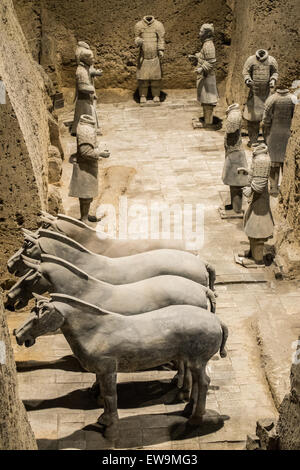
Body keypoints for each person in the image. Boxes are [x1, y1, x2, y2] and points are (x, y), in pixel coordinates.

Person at [237, 143, 274, 266]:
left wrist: (251, 190)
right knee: (251, 225)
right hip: (257, 199)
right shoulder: (258, 157)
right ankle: (252, 253)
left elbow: (260, 183)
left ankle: (257, 259)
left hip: (260, 201)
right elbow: (256, 174)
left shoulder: (262, 160)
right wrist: (247, 171)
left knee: (257, 227)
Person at [69, 114, 110, 223]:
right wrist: (101, 153)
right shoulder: (85, 130)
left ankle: (85, 216)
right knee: (85, 194)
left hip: (88, 166)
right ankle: (84, 219)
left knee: (88, 194)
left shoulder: (86, 127)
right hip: (84, 167)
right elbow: (85, 152)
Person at [262, 79, 295, 195]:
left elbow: (265, 120)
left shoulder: (271, 99)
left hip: (274, 134)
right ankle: (286, 187)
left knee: (273, 162)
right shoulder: (293, 99)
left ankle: (274, 188)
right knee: (286, 163)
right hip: (288, 135)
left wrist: (266, 134)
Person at [243, 49, 278, 146]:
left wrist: (273, 80)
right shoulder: (251, 60)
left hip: (267, 95)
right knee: (253, 120)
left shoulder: (271, 60)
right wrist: (247, 80)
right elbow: (246, 72)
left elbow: (275, 72)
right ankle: (253, 141)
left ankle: (268, 141)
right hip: (254, 95)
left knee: (268, 120)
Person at [221, 104, 248, 216]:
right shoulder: (233, 114)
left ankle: (236, 209)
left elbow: (231, 129)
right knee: (232, 181)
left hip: (235, 154)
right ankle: (234, 205)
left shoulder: (234, 115)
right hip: (232, 152)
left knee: (236, 182)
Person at [190, 23, 218, 127]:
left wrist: (201, 68)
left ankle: (208, 122)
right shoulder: (206, 44)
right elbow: (205, 57)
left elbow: (211, 61)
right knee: (205, 100)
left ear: (207, 34)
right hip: (205, 77)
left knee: (208, 101)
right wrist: (197, 56)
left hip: (207, 77)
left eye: (201, 31)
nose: (199, 33)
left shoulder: (209, 45)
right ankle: (207, 120)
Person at [71, 44, 102, 136]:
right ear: (85, 59)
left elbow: (90, 71)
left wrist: (96, 72)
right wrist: (92, 89)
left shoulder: (85, 67)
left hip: (88, 98)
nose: (93, 60)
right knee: (86, 114)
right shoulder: (81, 71)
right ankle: (86, 130)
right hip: (84, 99)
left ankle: (92, 128)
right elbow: (82, 87)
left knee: (90, 112)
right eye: (92, 58)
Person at [134, 15, 165, 104]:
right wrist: (138, 41)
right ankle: (143, 96)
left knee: (156, 79)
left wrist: (161, 50)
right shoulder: (139, 25)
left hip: (155, 57)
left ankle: (156, 95)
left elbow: (161, 39)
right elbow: (136, 38)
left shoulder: (158, 25)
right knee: (143, 79)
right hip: (143, 58)